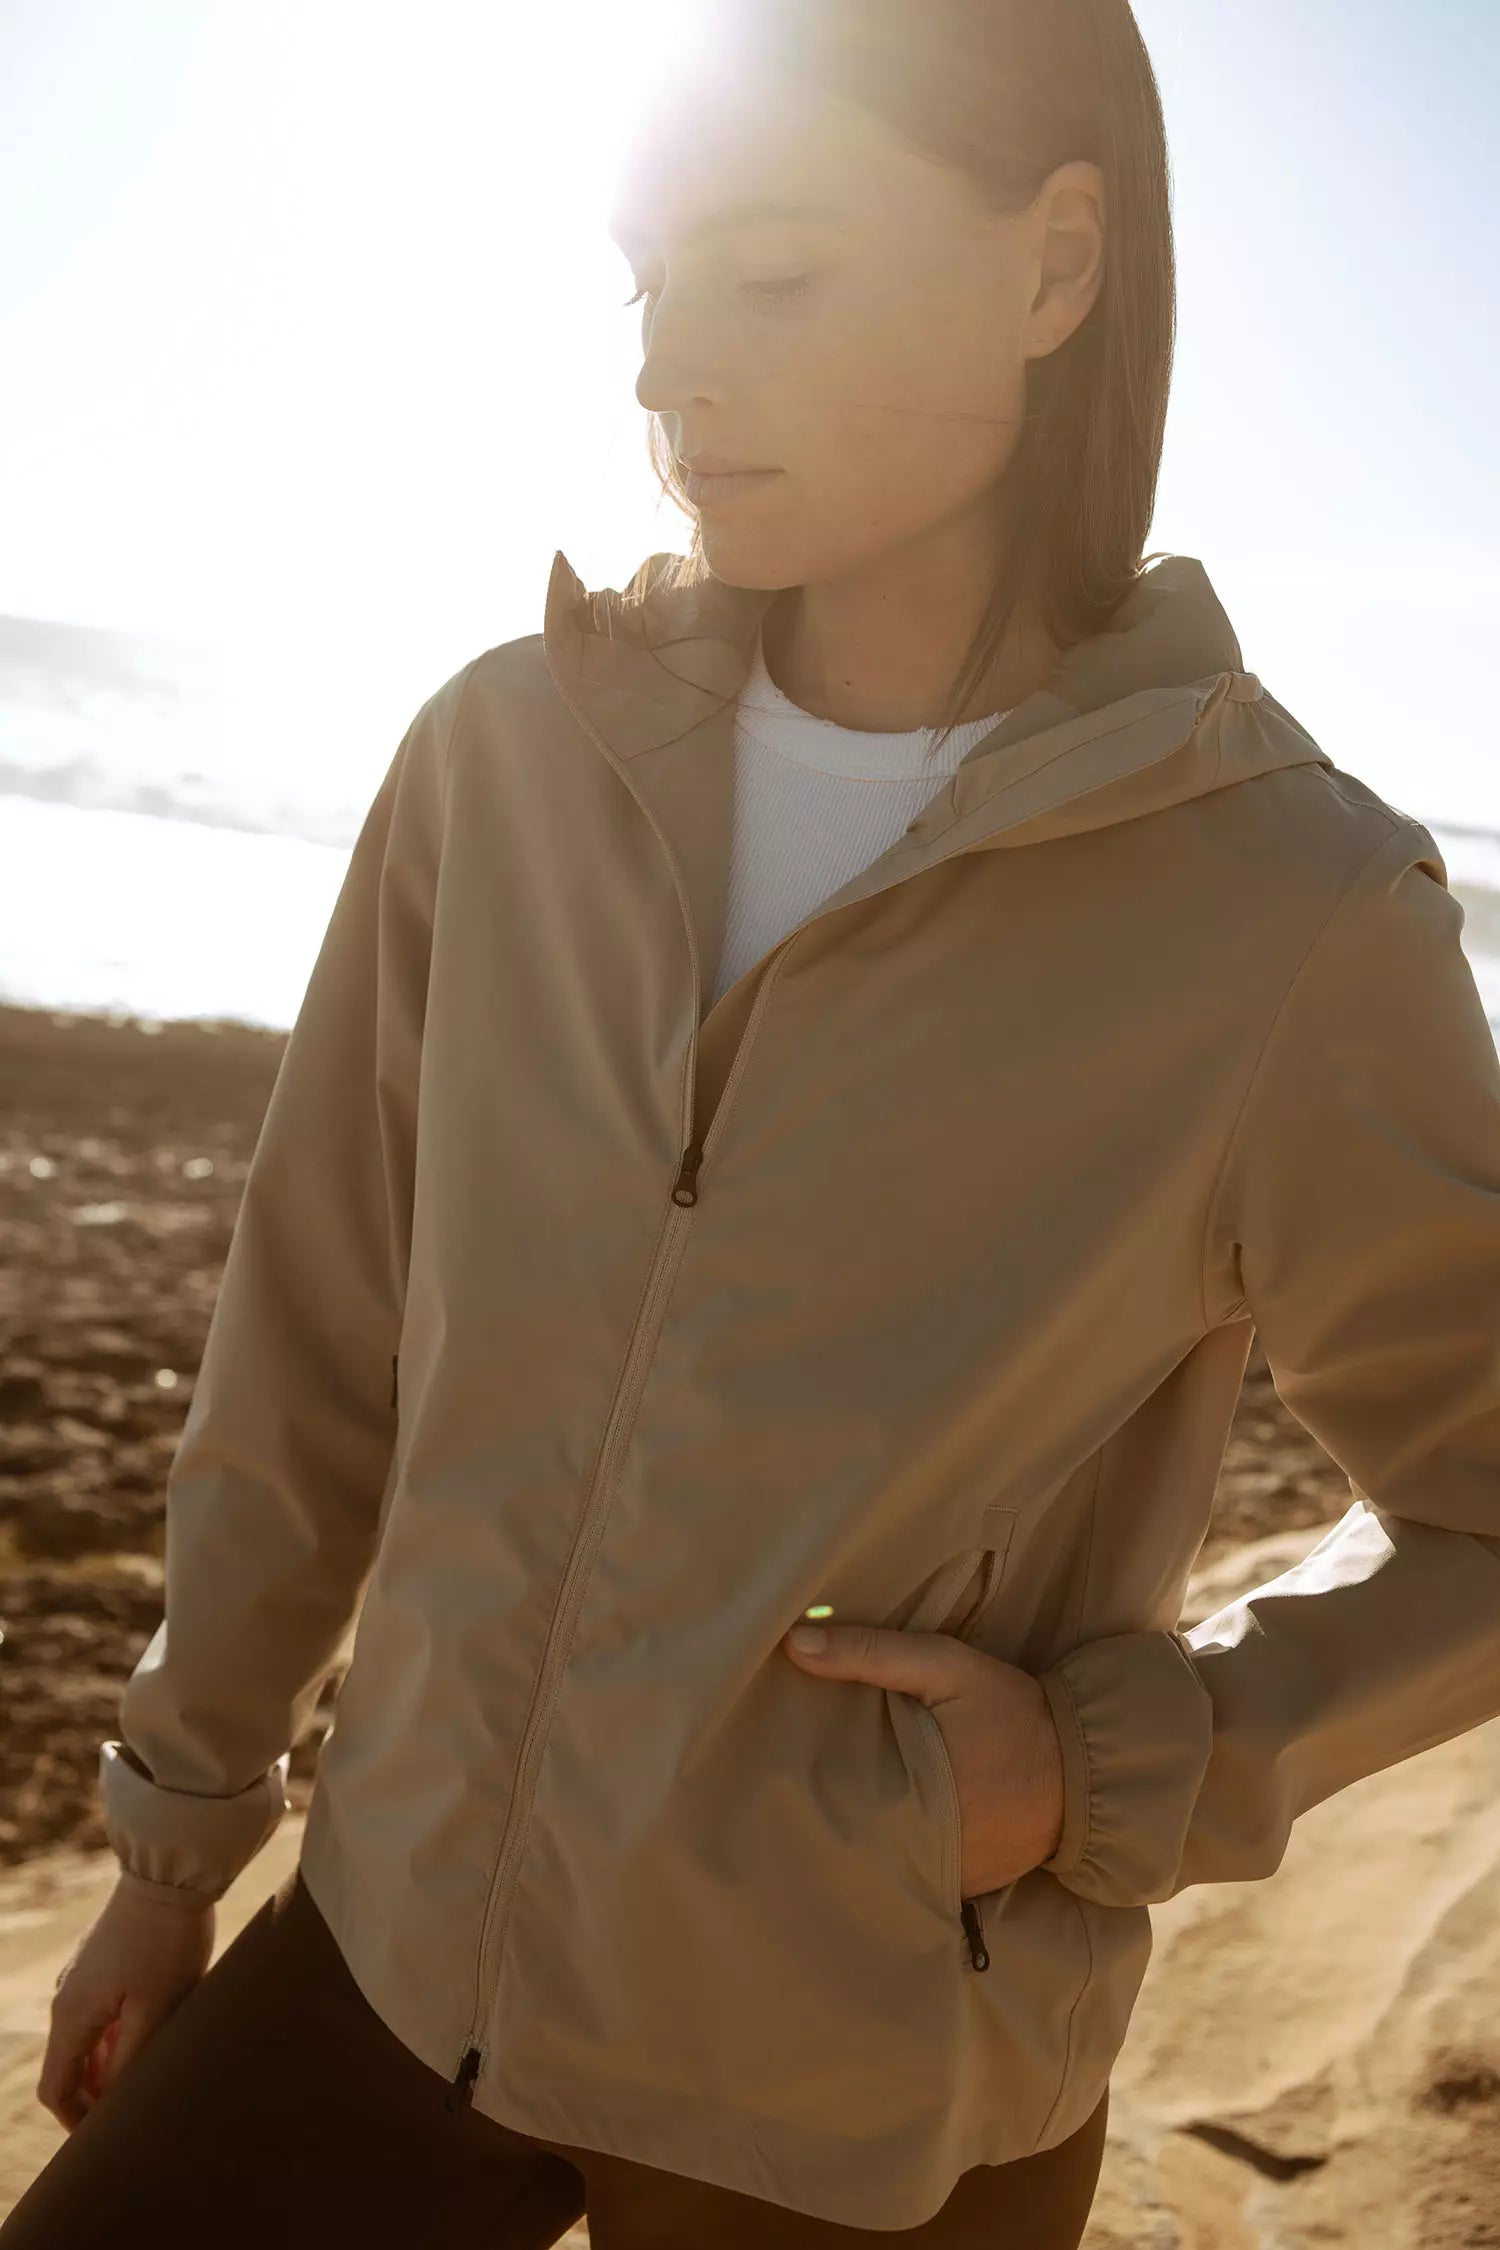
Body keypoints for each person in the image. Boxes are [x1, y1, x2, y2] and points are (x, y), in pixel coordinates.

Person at [10, 0, 1500, 2242]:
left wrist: (1120, 1761)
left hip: (873, 2095)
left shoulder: (1289, 911)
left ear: (1056, 266)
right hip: (399, 1950)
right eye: (652, 280)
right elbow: (310, 1356)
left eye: (776, 273)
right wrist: (173, 1839)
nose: (667, 368)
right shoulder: (506, 763)